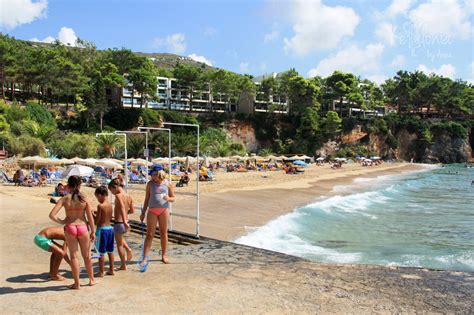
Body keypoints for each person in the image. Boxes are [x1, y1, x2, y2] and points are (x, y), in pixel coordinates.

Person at [49, 175, 95, 289]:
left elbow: (51, 215)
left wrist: (62, 221)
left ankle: (77, 284)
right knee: (86, 255)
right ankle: (91, 280)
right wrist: (93, 231)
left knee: (74, 256)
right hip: (83, 227)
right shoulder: (84, 198)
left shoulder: (65, 199)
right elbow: (90, 217)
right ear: (80, 185)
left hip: (70, 227)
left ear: (68, 185)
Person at [139, 166, 175, 271]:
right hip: (152, 210)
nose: (152, 177)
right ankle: (145, 257)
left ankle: (164, 255)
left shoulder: (168, 184)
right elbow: (147, 198)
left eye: (154, 175)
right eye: (151, 175)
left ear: (159, 174)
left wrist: (169, 198)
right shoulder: (150, 184)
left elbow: (173, 198)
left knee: (164, 232)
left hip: (164, 210)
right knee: (150, 234)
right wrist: (143, 212)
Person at [108, 178, 130, 270]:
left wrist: (123, 219)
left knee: (119, 245)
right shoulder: (128, 196)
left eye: (111, 190)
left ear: (115, 187)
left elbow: (121, 206)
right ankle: (129, 249)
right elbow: (131, 210)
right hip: (125, 222)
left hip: (120, 222)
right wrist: (125, 218)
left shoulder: (118, 196)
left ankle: (123, 265)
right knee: (120, 239)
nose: (112, 193)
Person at [93, 186, 115, 277]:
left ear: (99, 195)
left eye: (97, 197)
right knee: (110, 251)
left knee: (100, 252)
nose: (97, 199)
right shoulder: (110, 205)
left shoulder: (100, 206)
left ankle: (101, 272)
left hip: (101, 230)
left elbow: (97, 221)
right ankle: (111, 270)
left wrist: (92, 215)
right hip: (110, 228)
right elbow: (109, 218)